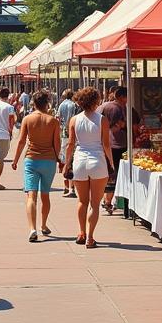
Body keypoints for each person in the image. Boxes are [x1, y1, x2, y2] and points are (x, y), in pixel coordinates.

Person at [65, 87, 113, 248]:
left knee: (82, 201)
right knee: (95, 203)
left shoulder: (74, 120)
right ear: (96, 101)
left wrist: (66, 164)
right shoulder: (102, 120)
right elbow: (106, 145)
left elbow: (70, 144)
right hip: (97, 161)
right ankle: (90, 237)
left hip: (79, 161)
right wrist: (111, 163)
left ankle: (81, 232)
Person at [10, 91, 62, 242]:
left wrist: (15, 160)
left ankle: (32, 228)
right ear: (47, 103)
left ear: (33, 103)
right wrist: (58, 159)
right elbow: (57, 144)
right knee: (45, 195)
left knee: (31, 196)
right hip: (49, 161)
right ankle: (44, 225)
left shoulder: (27, 119)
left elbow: (21, 141)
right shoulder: (53, 121)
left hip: (31, 160)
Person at [98, 87, 136, 214]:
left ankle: (107, 200)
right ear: (121, 97)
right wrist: (124, 125)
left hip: (107, 143)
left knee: (110, 173)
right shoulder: (118, 108)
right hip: (118, 144)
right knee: (117, 174)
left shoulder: (103, 106)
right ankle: (109, 201)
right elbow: (119, 125)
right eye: (126, 97)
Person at [56, 89, 78, 197]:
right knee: (72, 160)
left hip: (64, 134)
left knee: (65, 159)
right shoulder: (74, 105)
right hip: (74, 134)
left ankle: (66, 185)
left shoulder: (61, 105)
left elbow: (58, 120)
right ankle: (71, 186)